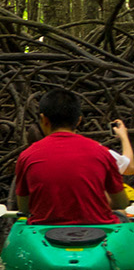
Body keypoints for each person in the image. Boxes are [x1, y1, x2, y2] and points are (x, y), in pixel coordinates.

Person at [11, 90, 129, 225]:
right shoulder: (102, 152)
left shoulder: (26, 156)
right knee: (122, 212)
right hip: (97, 228)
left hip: (44, 228)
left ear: (44, 119)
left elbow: (24, 208)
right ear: (78, 120)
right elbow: (121, 202)